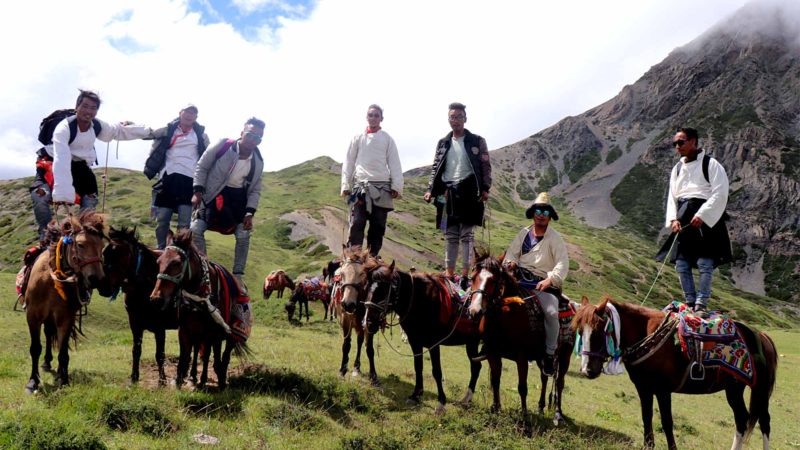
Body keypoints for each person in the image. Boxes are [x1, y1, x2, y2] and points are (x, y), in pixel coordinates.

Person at [31, 89, 153, 238]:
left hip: (81, 168)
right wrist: (63, 195)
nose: (88, 111)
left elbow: (116, 131)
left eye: (93, 108)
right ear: (77, 107)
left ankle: (83, 236)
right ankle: (46, 235)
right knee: (40, 197)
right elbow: (61, 160)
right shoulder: (63, 128)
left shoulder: (97, 125)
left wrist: (147, 132)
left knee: (89, 204)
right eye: (85, 106)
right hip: (52, 163)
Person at [656, 127, 731, 315]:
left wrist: (703, 214)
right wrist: (673, 219)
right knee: (682, 264)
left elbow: (720, 192)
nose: (677, 146)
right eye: (675, 143)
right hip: (683, 215)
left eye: (680, 142)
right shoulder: (677, 168)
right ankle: (689, 302)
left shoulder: (711, 164)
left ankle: (701, 303)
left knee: (705, 263)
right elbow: (672, 196)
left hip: (705, 217)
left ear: (693, 141)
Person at [190, 117, 265, 294]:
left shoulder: (258, 161)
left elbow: (255, 190)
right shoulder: (223, 145)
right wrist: (197, 191)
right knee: (195, 229)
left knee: (244, 234)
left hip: (237, 202)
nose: (253, 140)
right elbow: (202, 167)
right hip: (212, 197)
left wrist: (249, 213)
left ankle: (238, 275)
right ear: (242, 133)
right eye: (250, 135)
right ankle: (204, 267)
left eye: (258, 138)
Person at [423, 102, 491, 289]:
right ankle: (449, 274)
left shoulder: (477, 141)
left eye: (459, 116)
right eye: (452, 117)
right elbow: (436, 167)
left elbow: (485, 165)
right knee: (450, 234)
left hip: (470, 189)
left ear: (465, 119)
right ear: (448, 119)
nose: (456, 120)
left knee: (467, 234)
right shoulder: (443, 143)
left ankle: (464, 275)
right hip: (447, 192)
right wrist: (430, 189)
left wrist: (485, 187)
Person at [502, 192, 568, 377]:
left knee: (552, 313)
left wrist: (550, 279)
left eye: (545, 212)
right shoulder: (523, 233)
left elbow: (562, 264)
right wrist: (510, 263)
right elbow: (511, 254)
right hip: (519, 281)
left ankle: (548, 354)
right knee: (494, 301)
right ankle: (491, 342)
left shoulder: (555, 239)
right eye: (538, 210)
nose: (541, 214)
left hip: (542, 285)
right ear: (533, 212)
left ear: (550, 216)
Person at [144, 104, 210, 249]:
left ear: (196, 117)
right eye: (187, 111)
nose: (189, 115)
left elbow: (209, 155)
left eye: (193, 113)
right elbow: (150, 133)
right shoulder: (169, 129)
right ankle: (161, 248)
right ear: (180, 113)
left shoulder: (201, 135)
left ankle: (180, 251)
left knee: (184, 223)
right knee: (162, 219)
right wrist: (130, 126)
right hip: (168, 178)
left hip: (189, 181)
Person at [340, 104, 403, 257]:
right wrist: (345, 185)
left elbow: (394, 163)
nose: (373, 118)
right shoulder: (357, 138)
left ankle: (372, 257)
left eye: (376, 115)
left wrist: (396, 186)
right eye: (370, 115)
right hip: (360, 187)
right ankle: (353, 257)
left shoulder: (387, 139)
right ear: (366, 117)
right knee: (357, 223)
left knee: (378, 226)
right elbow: (348, 162)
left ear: (381, 118)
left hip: (382, 187)